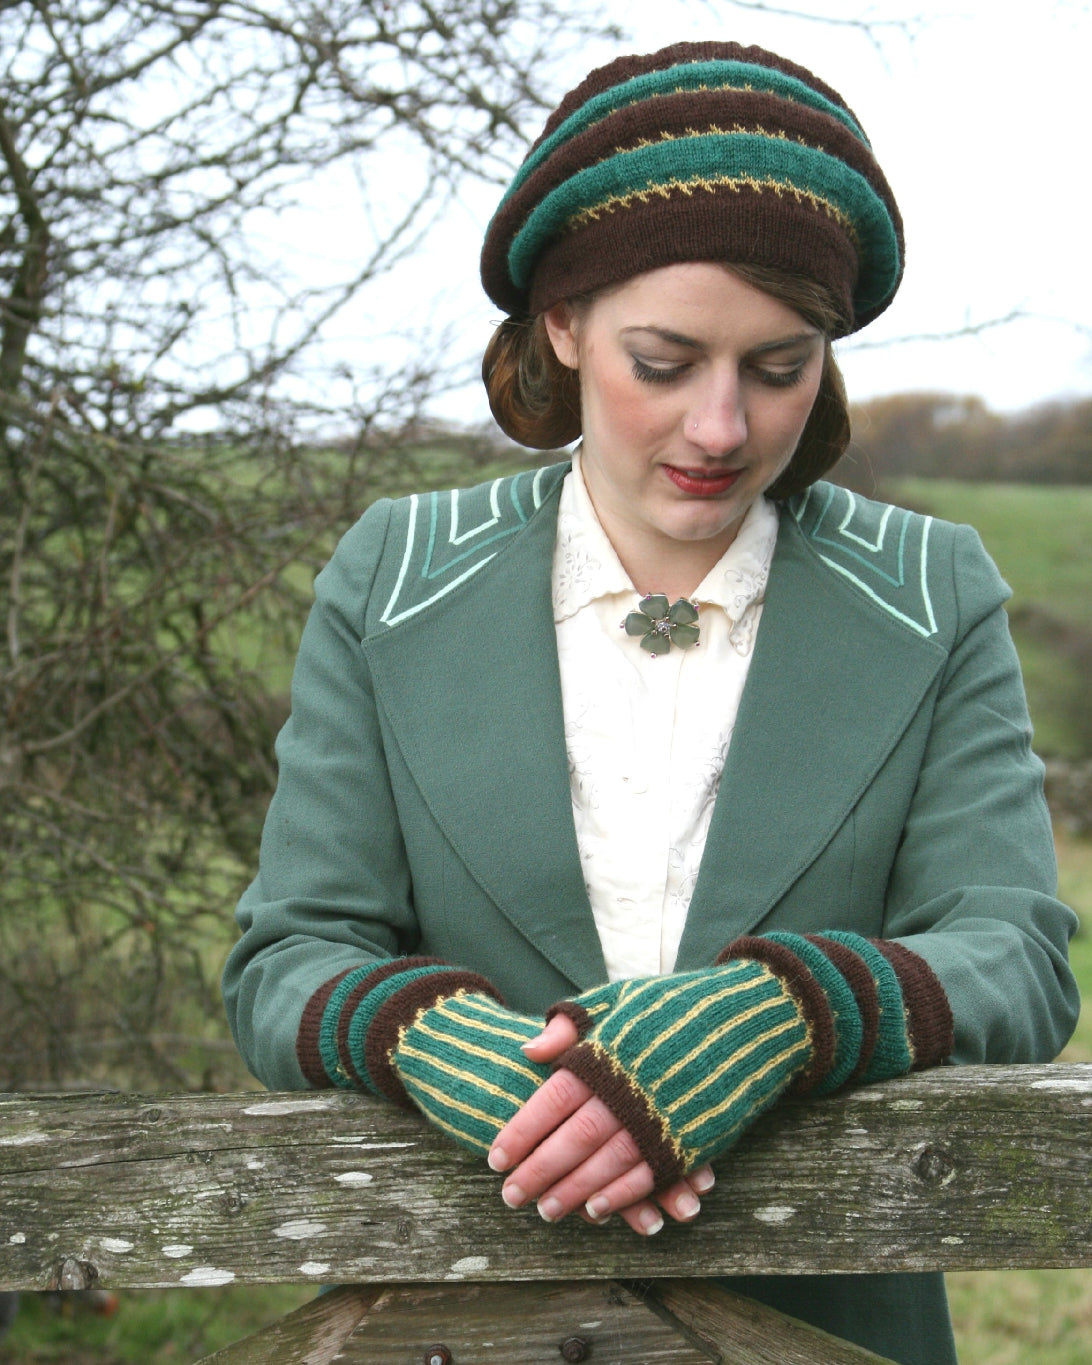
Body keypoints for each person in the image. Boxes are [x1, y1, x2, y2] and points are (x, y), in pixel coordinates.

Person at [222, 41, 1079, 1365]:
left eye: (779, 366)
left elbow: (1017, 952)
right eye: (666, 360)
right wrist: (440, 1040)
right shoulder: (393, 581)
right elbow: (287, 959)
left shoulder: (929, 589)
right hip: (454, 1327)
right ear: (561, 325)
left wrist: (790, 1009)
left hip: (828, 1329)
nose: (723, 425)